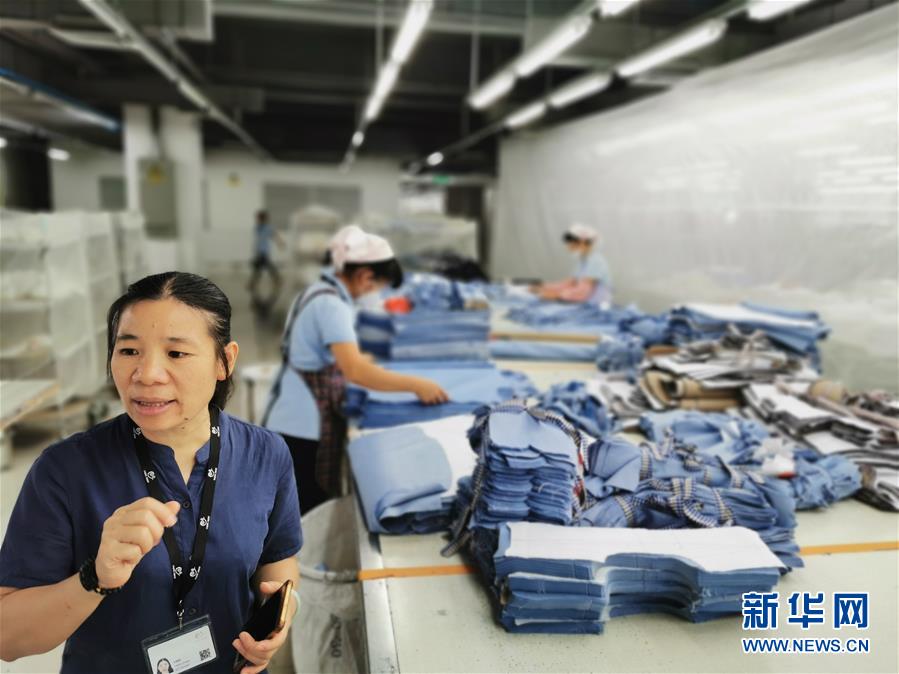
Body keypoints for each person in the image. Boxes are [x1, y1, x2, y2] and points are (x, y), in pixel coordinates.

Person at [0, 272, 301, 674]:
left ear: (224, 361)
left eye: (175, 353)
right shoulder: (65, 471)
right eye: (129, 350)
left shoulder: (265, 454)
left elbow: (278, 561)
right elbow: (7, 638)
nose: (146, 374)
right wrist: (95, 578)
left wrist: (281, 615)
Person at [263, 228, 449, 514]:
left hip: (289, 416)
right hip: (305, 427)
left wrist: (361, 357)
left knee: (294, 503)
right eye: (378, 287)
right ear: (364, 276)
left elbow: (319, 352)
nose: (376, 295)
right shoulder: (332, 306)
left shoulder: (315, 292)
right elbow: (356, 372)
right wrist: (417, 385)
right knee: (306, 508)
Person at [535, 223, 613, 306]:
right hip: (584, 302)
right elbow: (569, 283)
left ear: (583, 242)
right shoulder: (583, 261)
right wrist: (543, 287)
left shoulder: (596, 261)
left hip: (595, 305)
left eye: (571, 243)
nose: (568, 247)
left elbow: (583, 291)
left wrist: (557, 295)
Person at [248, 210, 284, 297]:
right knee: (262, 267)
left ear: (262, 219)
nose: (257, 220)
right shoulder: (258, 227)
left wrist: (280, 243)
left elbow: (275, 235)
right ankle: (277, 280)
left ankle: (253, 283)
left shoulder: (268, 227)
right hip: (259, 250)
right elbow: (259, 238)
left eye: (258, 218)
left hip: (264, 251)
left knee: (260, 267)